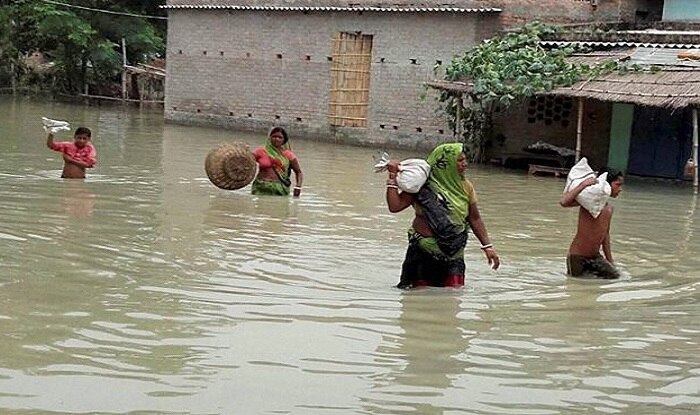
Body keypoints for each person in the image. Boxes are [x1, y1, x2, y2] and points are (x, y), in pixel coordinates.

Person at [385, 142, 500, 289]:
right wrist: (392, 177)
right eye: (459, 160)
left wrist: (488, 247)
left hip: (454, 252)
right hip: (423, 251)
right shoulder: (421, 185)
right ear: (444, 163)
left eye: (465, 160)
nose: (465, 164)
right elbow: (395, 206)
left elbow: (474, 218)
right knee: (418, 299)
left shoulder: (466, 187)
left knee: (453, 297)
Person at [559, 168, 624, 279]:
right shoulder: (589, 204)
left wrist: (610, 261)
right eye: (617, 185)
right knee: (577, 286)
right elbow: (564, 202)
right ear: (606, 185)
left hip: (595, 256)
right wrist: (583, 185)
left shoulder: (609, 209)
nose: (620, 189)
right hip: (577, 257)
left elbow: (605, 236)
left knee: (615, 276)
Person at [251, 127, 303, 197]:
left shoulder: (289, 155)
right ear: (270, 138)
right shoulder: (260, 152)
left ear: (284, 140)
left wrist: (298, 187)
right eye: (274, 136)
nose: (277, 139)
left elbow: (298, 172)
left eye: (280, 137)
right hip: (260, 187)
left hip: (280, 189)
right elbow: (247, 162)